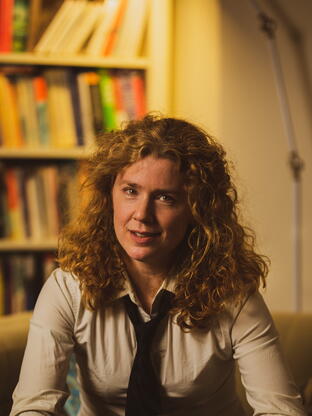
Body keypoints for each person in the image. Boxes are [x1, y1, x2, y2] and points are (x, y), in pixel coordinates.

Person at [10, 115, 306, 416]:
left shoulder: (232, 294)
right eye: (130, 191)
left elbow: (281, 409)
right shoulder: (68, 288)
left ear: (196, 210)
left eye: (166, 198)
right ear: (108, 194)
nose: (142, 214)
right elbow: (33, 406)